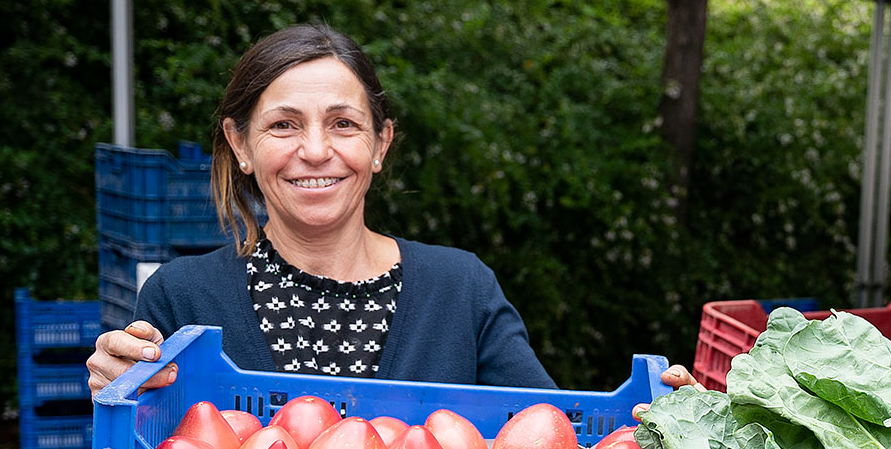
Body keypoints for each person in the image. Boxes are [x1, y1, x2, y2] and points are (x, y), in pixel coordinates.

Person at [89, 24, 565, 393]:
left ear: (380, 144)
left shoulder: (462, 290)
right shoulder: (182, 299)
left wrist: (632, 442)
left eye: (342, 123)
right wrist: (120, 389)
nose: (315, 150)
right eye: (283, 125)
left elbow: (554, 448)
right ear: (241, 145)